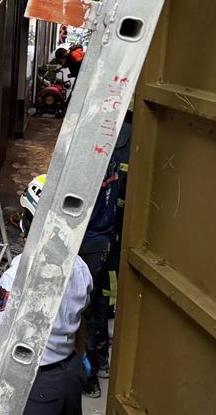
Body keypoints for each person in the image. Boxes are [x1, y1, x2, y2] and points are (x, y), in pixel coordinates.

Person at [0, 174, 93, 415]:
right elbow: (81, 319)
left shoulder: (19, 273)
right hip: (71, 374)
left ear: (33, 221)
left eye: (25, 215)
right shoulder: (80, 266)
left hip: (36, 384)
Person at [79, 156, 121, 397]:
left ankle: (89, 377)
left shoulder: (89, 162)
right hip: (104, 239)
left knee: (84, 308)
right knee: (98, 305)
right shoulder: (111, 156)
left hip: (89, 240)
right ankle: (101, 361)